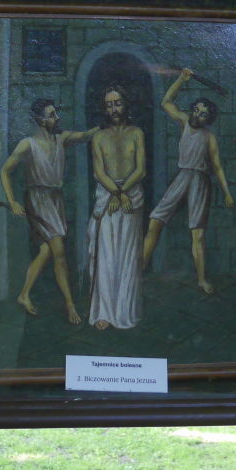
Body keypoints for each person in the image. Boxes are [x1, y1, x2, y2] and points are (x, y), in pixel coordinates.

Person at [0, 98, 96, 324]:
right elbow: (5, 171)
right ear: (40, 120)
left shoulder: (61, 139)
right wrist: (12, 201)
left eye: (56, 113)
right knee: (58, 250)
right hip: (38, 200)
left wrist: (103, 126)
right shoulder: (28, 144)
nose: (57, 118)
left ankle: (24, 294)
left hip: (56, 200)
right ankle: (70, 304)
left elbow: (85, 135)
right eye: (52, 115)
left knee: (46, 251)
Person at [143, 68, 235, 295]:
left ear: (208, 118)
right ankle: (137, 269)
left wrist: (227, 192)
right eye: (196, 110)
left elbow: (217, 166)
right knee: (155, 222)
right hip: (182, 176)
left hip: (200, 181)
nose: (197, 115)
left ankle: (202, 280)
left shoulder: (209, 137)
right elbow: (166, 102)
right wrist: (182, 79)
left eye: (202, 114)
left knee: (198, 234)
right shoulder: (184, 122)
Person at [87, 85, 147, 330]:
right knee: (107, 254)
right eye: (109, 105)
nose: (114, 109)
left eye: (118, 103)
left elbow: (140, 169)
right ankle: (104, 312)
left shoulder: (137, 133)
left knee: (128, 255)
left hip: (131, 195)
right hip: (108, 196)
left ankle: (125, 311)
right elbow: (98, 172)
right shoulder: (99, 137)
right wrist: (115, 193)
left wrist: (123, 194)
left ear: (126, 104)